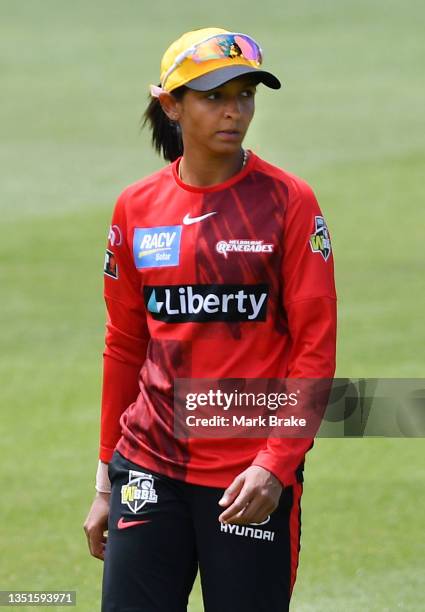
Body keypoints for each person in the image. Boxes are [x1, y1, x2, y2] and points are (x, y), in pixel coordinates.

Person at [83, 27, 337, 612]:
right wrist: (105, 484)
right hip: (147, 469)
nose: (235, 111)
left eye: (245, 94)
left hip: (248, 482)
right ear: (171, 105)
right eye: (214, 97)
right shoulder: (136, 208)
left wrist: (275, 466)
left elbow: (314, 353)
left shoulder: (290, 203)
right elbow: (124, 347)